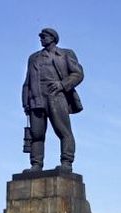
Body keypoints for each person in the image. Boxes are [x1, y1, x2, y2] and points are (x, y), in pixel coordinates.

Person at [22, 28, 84, 173]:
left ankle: (66, 162)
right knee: (37, 134)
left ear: (53, 38)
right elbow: (27, 82)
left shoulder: (65, 54)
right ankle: (36, 164)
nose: (41, 39)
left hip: (56, 96)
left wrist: (62, 84)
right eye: (41, 37)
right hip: (36, 99)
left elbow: (78, 73)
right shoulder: (33, 58)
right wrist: (25, 102)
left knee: (63, 131)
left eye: (44, 36)